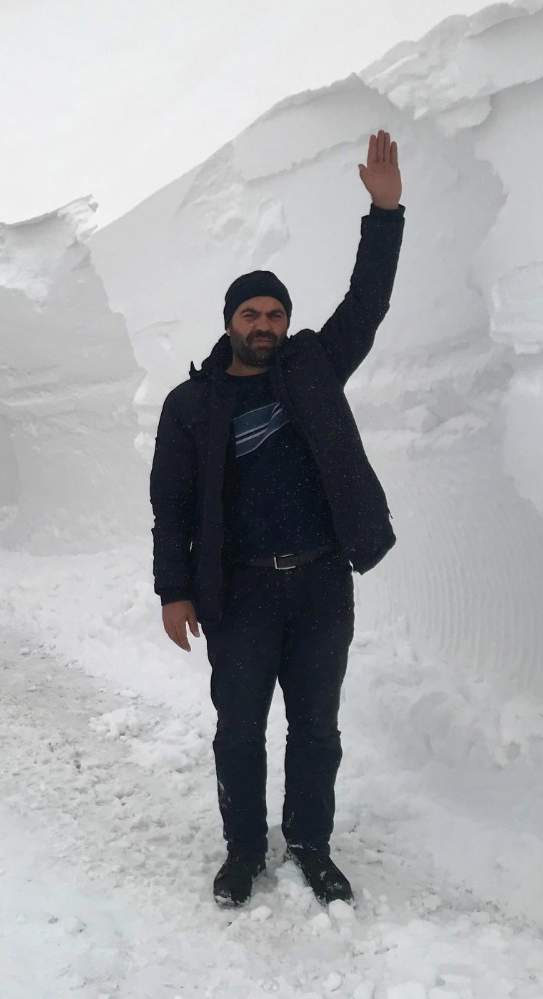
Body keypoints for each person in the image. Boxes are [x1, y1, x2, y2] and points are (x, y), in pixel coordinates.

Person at [149, 131, 405, 908]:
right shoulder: (192, 406)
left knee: (317, 729)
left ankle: (311, 844)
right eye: (252, 313)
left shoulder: (313, 368)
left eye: (276, 313)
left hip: (322, 581)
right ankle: (243, 850)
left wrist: (384, 212)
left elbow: (367, 303)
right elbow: (172, 505)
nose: (265, 323)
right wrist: (173, 591)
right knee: (238, 730)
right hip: (239, 592)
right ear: (230, 321)